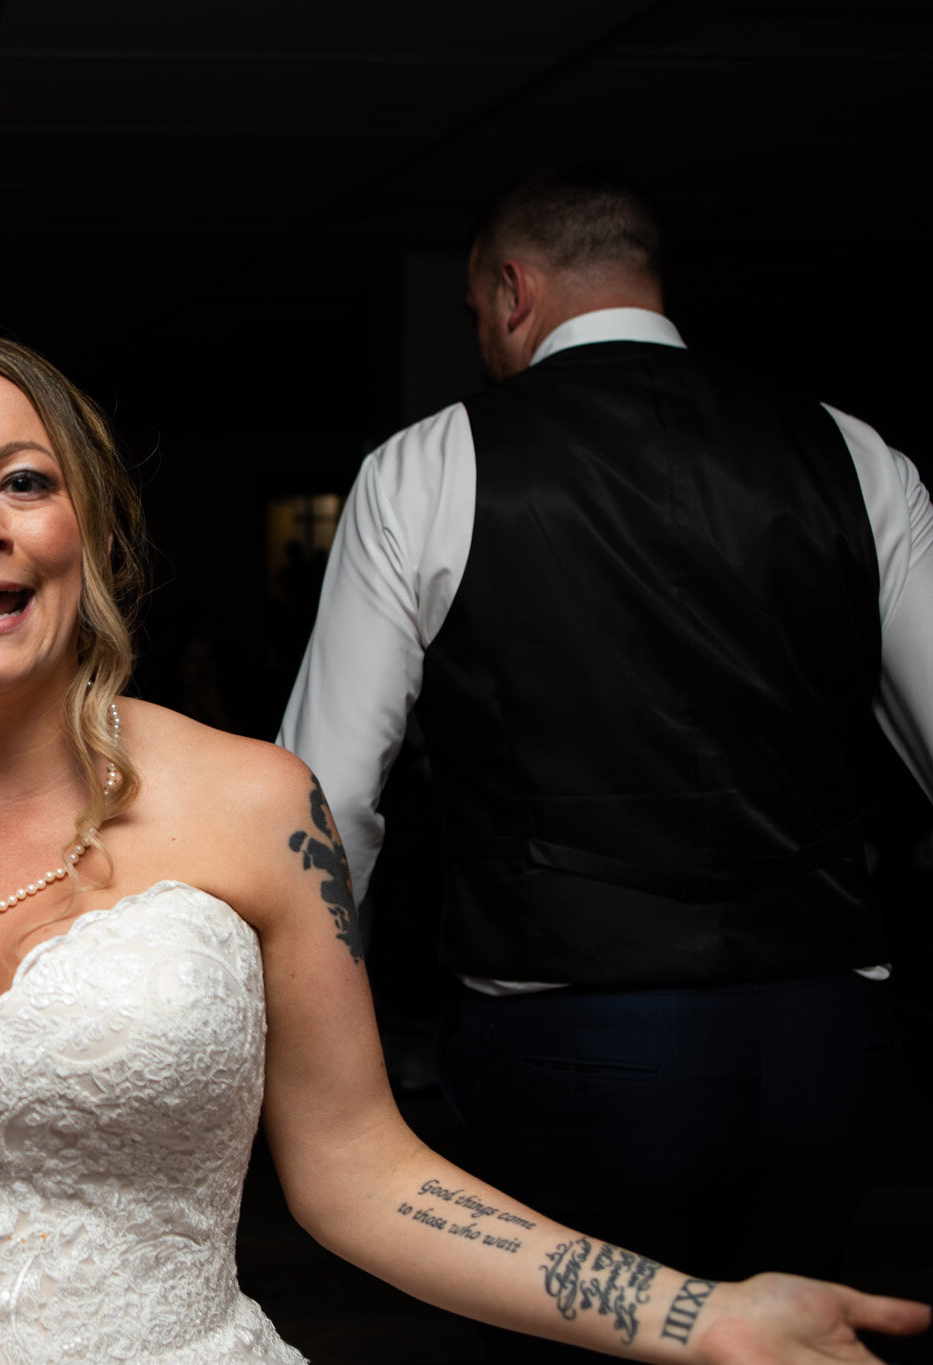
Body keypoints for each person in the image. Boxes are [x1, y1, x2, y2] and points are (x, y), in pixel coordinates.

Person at [0, 332, 928, 1362]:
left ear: (84, 531)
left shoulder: (262, 802)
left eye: (22, 480)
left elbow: (367, 1173)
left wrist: (700, 1314)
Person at [276, 164, 931, 1359]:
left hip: (568, 1035)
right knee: (790, 1343)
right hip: (823, 1026)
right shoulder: (852, 453)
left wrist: (310, 1031)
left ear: (513, 291)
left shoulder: (427, 464)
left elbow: (326, 796)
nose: (482, 342)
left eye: (478, 318)